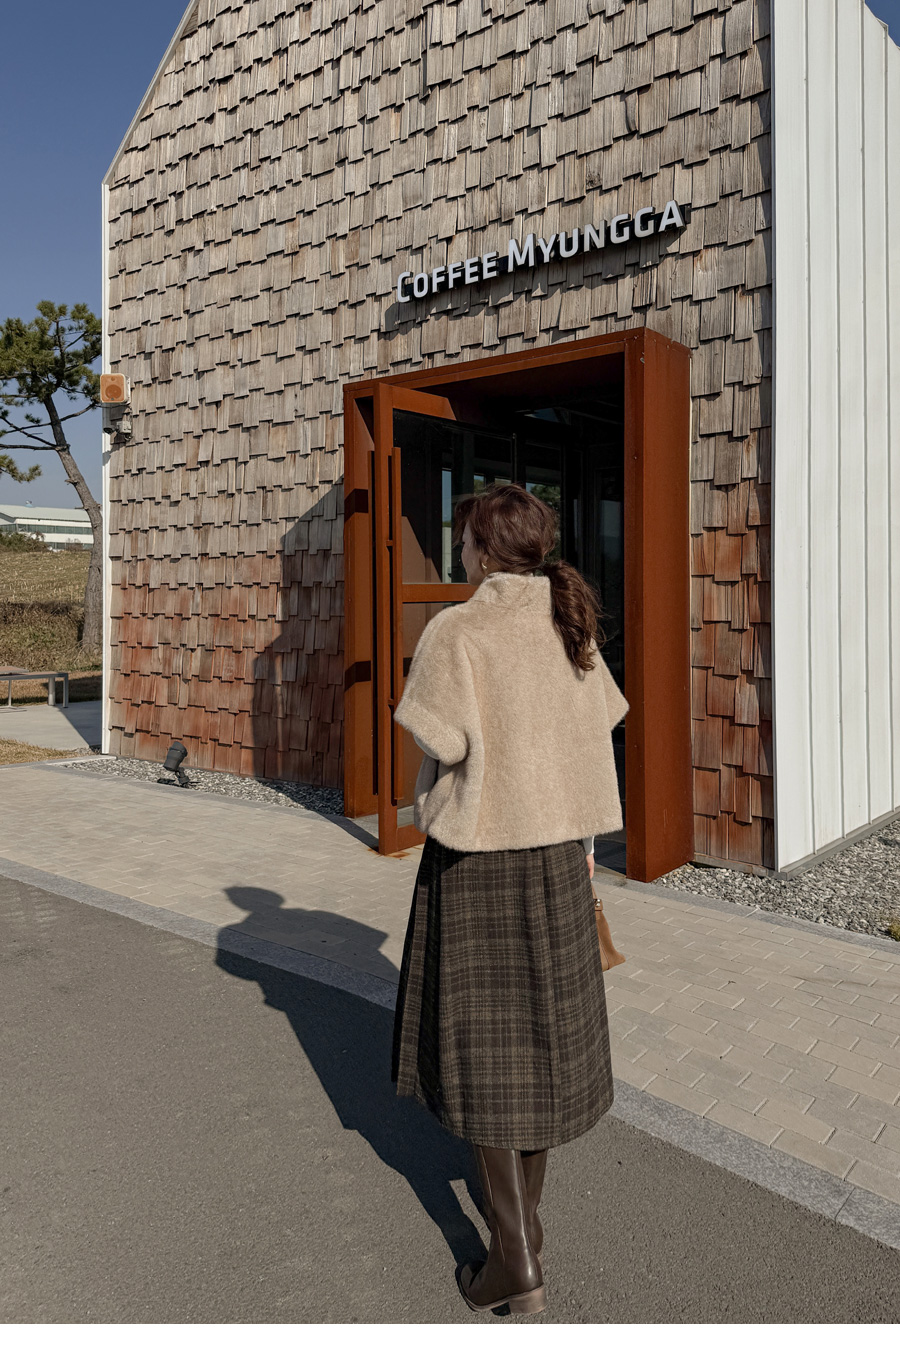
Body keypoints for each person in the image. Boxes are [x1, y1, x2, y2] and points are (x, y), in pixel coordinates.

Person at [390, 481, 629, 1317]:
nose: (458, 551)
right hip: (562, 857)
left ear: (481, 549)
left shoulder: (458, 630)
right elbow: (594, 733)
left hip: (479, 862)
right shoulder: (571, 624)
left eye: (462, 540)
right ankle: (522, 1231)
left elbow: (440, 735)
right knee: (544, 1046)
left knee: (486, 1050)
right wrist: (589, 845)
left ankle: (517, 1257)